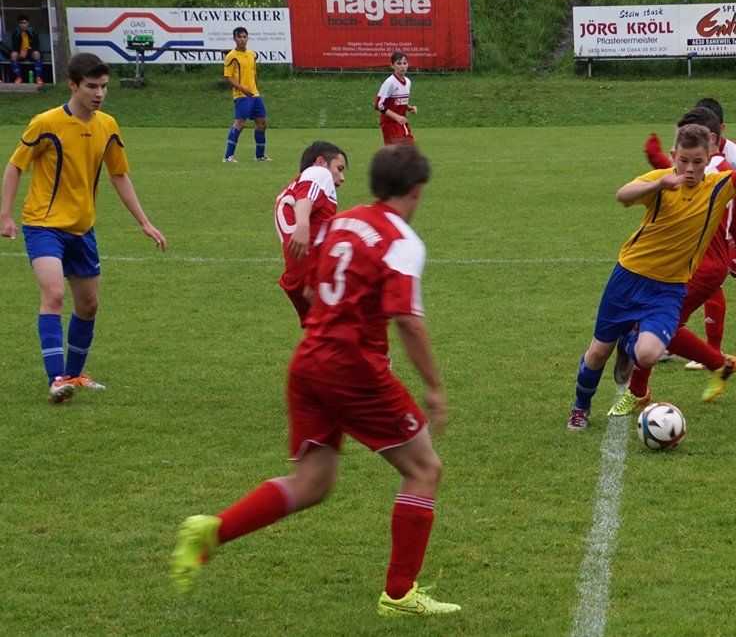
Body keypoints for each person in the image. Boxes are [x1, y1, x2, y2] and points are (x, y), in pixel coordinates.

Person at [172, 144, 460, 617]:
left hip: (308, 362)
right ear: (417, 190)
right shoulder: (402, 240)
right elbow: (408, 321)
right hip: (353, 368)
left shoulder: (343, 222)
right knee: (424, 468)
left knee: (312, 483)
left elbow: (308, 284)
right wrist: (433, 386)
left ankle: (211, 530)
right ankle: (399, 594)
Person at [566, 124, 736, 432]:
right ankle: (580, 408)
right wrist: (658, 184)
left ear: (709, 158)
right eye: (683, 160)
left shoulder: (721, 185)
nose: (690, 168)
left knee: (649, 354)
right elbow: (622, 194)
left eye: (697, 161)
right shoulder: (662, 180)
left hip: (668, 289)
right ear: (673, 156)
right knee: (599, 351)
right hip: (628, 277)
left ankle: (631, 341)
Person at [0, 52, 167, 403]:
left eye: (104, 86)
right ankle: (56, 378)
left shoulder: (107, 125)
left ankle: (74, 376)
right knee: (54, 295)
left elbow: (119, 175)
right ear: (73, 85)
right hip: (43, 225)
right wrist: (5, 215)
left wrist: (144, 222)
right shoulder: (46, 123)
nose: (99, 93)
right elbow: (15, 167)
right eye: (92, 86)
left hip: (82, 228)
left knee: (88, 305)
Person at [612, 108, 736, 415]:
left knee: (655, 325)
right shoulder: (700, 167)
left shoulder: (721, 174)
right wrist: (655, 157)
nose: (687, 163)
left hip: (705, 265)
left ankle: (712, 366)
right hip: (693, 264)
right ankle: (713, 363)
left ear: (709, 143)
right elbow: (673, 177)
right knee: (658, 324)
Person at [644, 97, 736, 370]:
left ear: (713, 136)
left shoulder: (731, 160)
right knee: (693, 285)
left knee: (704, 281)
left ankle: (703, 351)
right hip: (720, 226)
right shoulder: (703, 161)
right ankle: (676, 343)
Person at [274, 141, 348, 325]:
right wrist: (303, 224)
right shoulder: (319, 172)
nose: (342, 178)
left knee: (325, 336)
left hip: (300, 281)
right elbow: (306, 197)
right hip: (316, 279)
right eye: (339, 168)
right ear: (321, 162)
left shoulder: (292, 189)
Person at [223, 27, 269, 163]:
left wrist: (255, 88)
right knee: (240, 124)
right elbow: (228, 77)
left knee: (262, 122)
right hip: (241, 96)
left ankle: (260, 155)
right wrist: (243, 89)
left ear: (247, 38)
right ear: (234, 39)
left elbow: (253, 74)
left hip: (254, 95)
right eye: (239, 37)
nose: (242, 39)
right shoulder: (231, 56)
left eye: (244, 37)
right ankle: (228, 156)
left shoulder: (252, 54)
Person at [374, 51, 417, 145]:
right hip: (390, 123)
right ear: (392, 65)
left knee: (410, 148)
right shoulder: (390, 82)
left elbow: (398, 101)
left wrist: (409, 108)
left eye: (404, 63)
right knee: (397, 151)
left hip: (401, 123)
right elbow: (378, 105)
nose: (402, 66)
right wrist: (397, 117)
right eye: (399, 63)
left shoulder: (408, 82)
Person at [9, 15, 44, 85]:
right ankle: (18, 77)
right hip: (20, 53)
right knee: (13, 55)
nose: (23, 25)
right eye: (21, 23)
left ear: (28, 23)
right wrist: (21, 52)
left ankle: (38, 78)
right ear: (18, 24)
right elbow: (15, 46)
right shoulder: (15, 32)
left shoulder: (33, 31)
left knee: (37, 54)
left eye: (24, 23)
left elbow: (36, 46)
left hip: (30, 52)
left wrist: (27, 52)